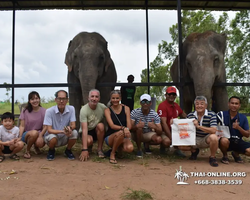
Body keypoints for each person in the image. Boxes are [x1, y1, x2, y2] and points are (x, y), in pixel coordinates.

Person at [179, 96, 219, 167]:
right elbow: (184, 128)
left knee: (214, 137)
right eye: (197, 104)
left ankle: (212, 157)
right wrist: (173, 122)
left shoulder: (212, 114)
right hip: (194, 139)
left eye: (202, 104)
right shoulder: (190, 115)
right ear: (195, 105)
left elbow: (213, 130)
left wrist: (199, 126)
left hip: (206, 138)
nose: (199, 106)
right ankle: (194, 151)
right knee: (179, 144)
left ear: (206, 105)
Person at [43, 90, 78, 161]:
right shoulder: (49, 111)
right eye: (59, 99)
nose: (61, 101)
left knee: (74, 133)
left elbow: (73, 125)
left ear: (67, 100)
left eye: (64, 99)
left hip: (65, 135)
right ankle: (51, 150)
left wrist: (69, 128)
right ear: (55, 100)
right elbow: (49, 130)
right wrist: (63, 131)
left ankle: (68, 150)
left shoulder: (71, 109)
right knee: (53, 138)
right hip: (52, 135)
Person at [104, 90, 133, 164]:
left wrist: (127, 129)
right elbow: (112, 126)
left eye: (117, 98)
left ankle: (119, 149)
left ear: (120, 98)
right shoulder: (107, 110)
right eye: (113, 98)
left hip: (124, 134)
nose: (115, 100)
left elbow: (129, 124)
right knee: (120, 133)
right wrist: (123, 128)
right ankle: (112, 154)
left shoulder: (126, 108)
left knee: (129, 148)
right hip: (111, 136)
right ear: (110, 99)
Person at [219, 96, 250, 164]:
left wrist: (238, 128)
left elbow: (247, 135)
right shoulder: (221, 115)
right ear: (228, 104)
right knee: (224, 140)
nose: (234, 105)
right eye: (232, 103)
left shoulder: (243, 117)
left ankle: (236, 153)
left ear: (239, 105)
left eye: (236, 104)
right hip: (226, 140)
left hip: (237, 140)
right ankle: (225, 156)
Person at [157, 86, 187, 156]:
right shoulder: (162, 105)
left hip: (175, 130)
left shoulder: (176, 105)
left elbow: (183, 115)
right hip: (164, 131)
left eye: (173, 94)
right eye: (169, 94)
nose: (171, 96)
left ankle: (177, 149)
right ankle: (163, 147)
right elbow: (163, 123)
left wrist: (193, 117)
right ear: (166, 95)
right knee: (167, 142)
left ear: (176, 96)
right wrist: (170, 137)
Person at [131, 94, 163, 158]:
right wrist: (137, 126)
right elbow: (130, 128)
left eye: (147, 102)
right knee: (139, 129)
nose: (145, 104)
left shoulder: (154, 114)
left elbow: (160, 131)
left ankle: (146, 146)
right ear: (140, 103)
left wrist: (154, 127)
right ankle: (139, 149)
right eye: (143, 102)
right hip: (136, 134)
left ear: (150, 103)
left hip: (148, 133)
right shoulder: (134, 112)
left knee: (159, 139)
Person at [79, 89, 106, 161]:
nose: (94, 99)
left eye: (96, 97)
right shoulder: (84, 109)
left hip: (96, 129)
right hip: (86, 130)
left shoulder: (103, 107)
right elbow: (84, 129)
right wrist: (84, 149)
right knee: (89, 141)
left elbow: (110, 113)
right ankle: (87, 147)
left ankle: (99, 149)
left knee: (101, 126)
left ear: (99, 98)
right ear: (88, 98)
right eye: (92, 96)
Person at [19, 91, 47, 159]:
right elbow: (22, 126)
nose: (35, 101)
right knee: (34, 133)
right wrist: (19, 137)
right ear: (29, 101)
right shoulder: (25, 111)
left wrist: (41, 136)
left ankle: (36, 146)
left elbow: (45, 126)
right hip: (27, 134)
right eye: (32, 99)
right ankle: (27, 151)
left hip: (39, 133)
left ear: (39, 99)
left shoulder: (44, 111)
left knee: (40, 143)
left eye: (36, 98)